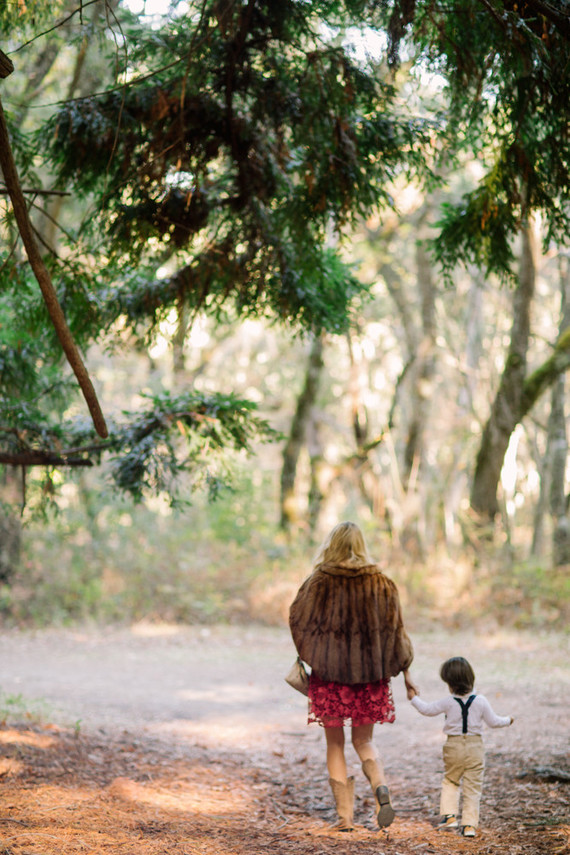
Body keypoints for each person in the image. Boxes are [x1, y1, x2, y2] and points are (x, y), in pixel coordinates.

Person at [289, 521, 417, 832]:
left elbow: (297, 621)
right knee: (364, 740)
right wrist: (405, 668)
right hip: (370, 677)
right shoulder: (383, 583)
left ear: (330, 544)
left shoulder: (318, 582)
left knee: (335, 744)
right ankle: (380, 787)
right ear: (361, 546)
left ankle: (344, 818)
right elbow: (396, 632)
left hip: (330, 676)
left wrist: (316, 655)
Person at [408, 656, 514, 839]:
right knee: (473, 787)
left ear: (450, 684)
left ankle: (449, 816)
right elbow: (494, 721)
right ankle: (469, 826)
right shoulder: (481, 701)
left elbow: (427, 709)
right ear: (470, 678)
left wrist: (413, 698)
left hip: (453, 745)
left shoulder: (448, 702)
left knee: (451, 780)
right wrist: (509, 720)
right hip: (475, 748)